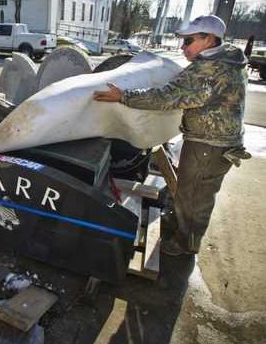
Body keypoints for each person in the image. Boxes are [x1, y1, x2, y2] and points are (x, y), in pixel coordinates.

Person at [93, 15, 249, 257]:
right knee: (193, 191)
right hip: (214, 141)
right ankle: (182, 228)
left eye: (188, 41)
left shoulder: (208, 70)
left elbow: (168, 96)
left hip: (209, 145)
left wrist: (123, 96)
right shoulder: (228, 59)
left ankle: (186, 244)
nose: (183, 47)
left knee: (195, 198)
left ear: (208, 40)